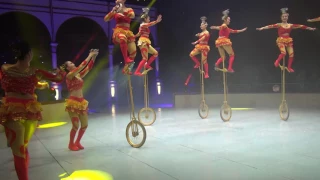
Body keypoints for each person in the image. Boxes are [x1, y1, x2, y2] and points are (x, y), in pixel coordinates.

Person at [0, 40, 65, 180]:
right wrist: (61, 71)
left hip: (17, 108)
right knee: (21, 148)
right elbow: (58, 78)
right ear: (29, 54)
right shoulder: (34, 71)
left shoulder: (5, 69)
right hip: (25, 110)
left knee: (21, 149)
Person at [60, 49, 99, 151]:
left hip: (81, 102)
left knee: (85, 125)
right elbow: (82, 65)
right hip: (73, 102)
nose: (73, 64)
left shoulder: (78, 75)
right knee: (76, 125)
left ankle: (77, 142)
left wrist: (94, 56)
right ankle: (71, 144)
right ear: (68, 68)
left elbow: (88, 67)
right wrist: (90, 55)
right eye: (71, 63)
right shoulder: (69, 75)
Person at [256, 8, 316, 72]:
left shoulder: (290, 25)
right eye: (283, 16)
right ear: (281, 18)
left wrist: (310, 28)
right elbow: (270, 26)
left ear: (287, 17)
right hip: (281, 40)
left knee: (291, 54)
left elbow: (301, 26)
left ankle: (289, 67)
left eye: (286, 16)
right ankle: (277, 61)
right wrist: (262, 28)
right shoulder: (279, 25)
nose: (284, 18)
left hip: (288, 40)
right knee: (283, 53)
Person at [104, 0, 136, 74]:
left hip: (128, 32)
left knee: (133, 52)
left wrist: (122, 11)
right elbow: (106, 19)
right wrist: (113, 11)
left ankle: (126, 68)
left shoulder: (129, 9)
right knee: (122, 38)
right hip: (119, 31)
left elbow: (132, 15)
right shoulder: (115, 10)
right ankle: (126, 60)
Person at [134, 7, 162, 76]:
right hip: (143, 42)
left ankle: (147, 65)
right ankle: (137, 71)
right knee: (144, 58)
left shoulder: (143, 26)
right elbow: (149, 24)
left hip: (146, 42)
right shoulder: (143, 25)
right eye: (148, 19)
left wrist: (133, 36)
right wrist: (156, 21)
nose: (149, 20)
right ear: (145, 19)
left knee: (155, 53)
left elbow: (139, 33)